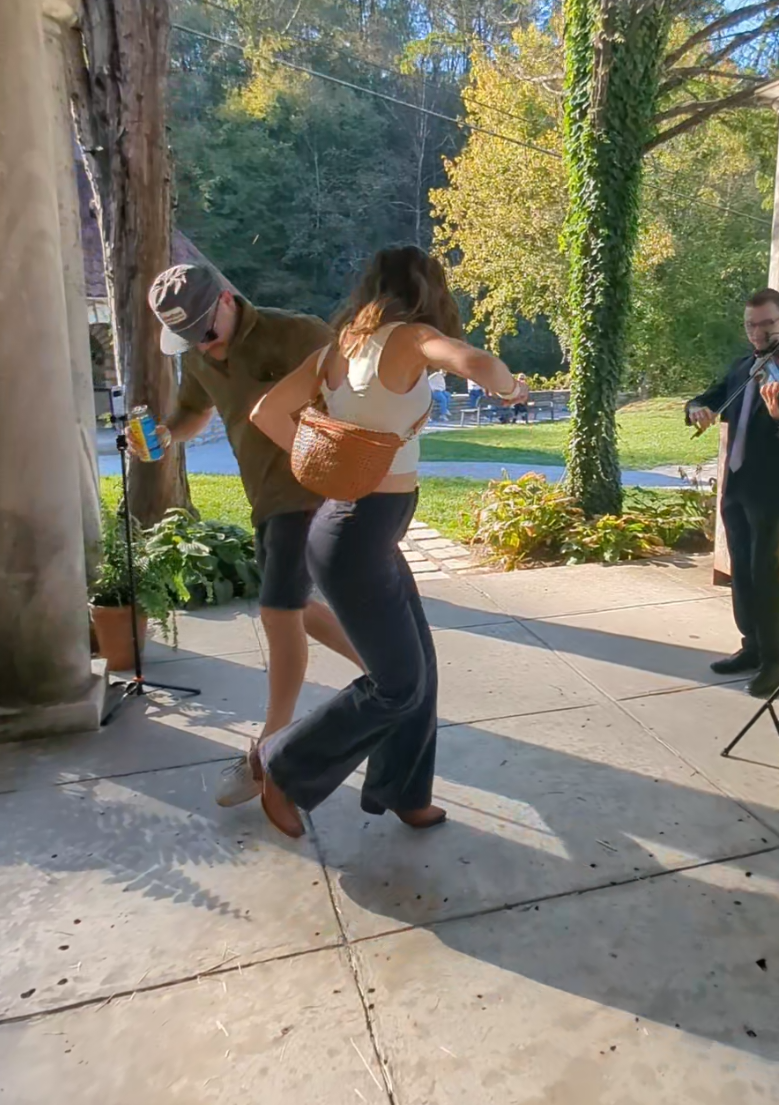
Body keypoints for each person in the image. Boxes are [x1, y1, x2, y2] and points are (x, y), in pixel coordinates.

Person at [248, 244, 529, 838]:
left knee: (419, 668)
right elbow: (476, 363)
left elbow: (269, 413)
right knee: (396, 683)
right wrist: (508, 387)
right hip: (356, 537)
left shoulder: (338, 348)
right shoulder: (410, 338)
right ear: (428, 290)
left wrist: (322, 454)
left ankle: (403, 790)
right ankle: (282, 764)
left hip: (362, 530)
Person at [144, 262, 361, 806]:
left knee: (277, 611)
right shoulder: (198, 357)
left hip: (309, 490)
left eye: (207, 332)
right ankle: (392, 672)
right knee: (292, 607)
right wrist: (163, 436)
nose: (206, 347)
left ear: (225, 300)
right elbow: (193, 412)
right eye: (190, 339)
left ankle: (269, 753)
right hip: (264, 500)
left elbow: (358, 391)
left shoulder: (298, 332)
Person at [685, 288, 779, 698]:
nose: (758, 332)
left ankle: (774, 659)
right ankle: (751, 646)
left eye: (766, 323)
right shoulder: (742, 366)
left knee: (764, 570)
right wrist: (697, 408)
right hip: (737, 483)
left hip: (771, 486)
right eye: (751, 324)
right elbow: (705, 398)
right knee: (742, 572)